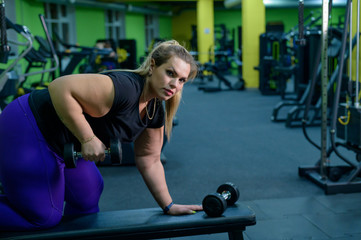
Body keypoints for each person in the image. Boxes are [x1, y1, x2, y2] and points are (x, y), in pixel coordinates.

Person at [0, 40, 202, 231]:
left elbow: (149, 159)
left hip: (65, 144)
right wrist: (88, 138)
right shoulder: (125, 87)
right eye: (170, 73)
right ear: (152, 66)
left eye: (182, 80)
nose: (175, 84)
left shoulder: (154, 109)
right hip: (28, 124)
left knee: (87, 198)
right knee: (44, 217)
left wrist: (168, 205)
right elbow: (59, 87)